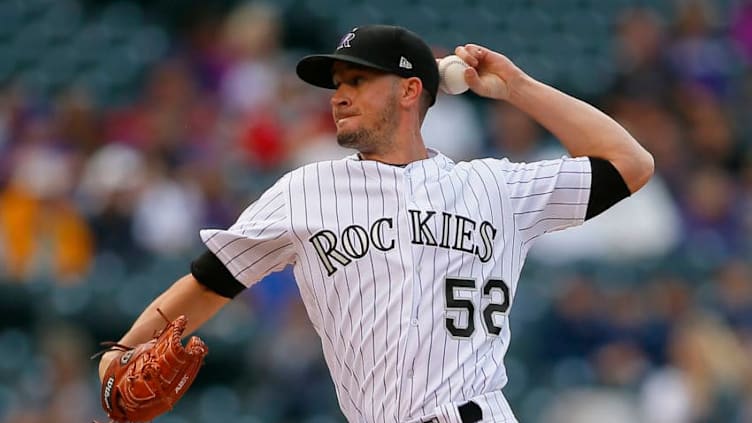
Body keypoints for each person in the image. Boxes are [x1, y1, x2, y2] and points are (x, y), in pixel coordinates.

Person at [97, 24, 654, 423]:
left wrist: (517, 89)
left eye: (358, 80)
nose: (339, 95)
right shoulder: (304, 190)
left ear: (411, 90)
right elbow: (210, 282)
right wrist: (120, 353)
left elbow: (630, 164)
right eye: (337, 82)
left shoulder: (495, 187)